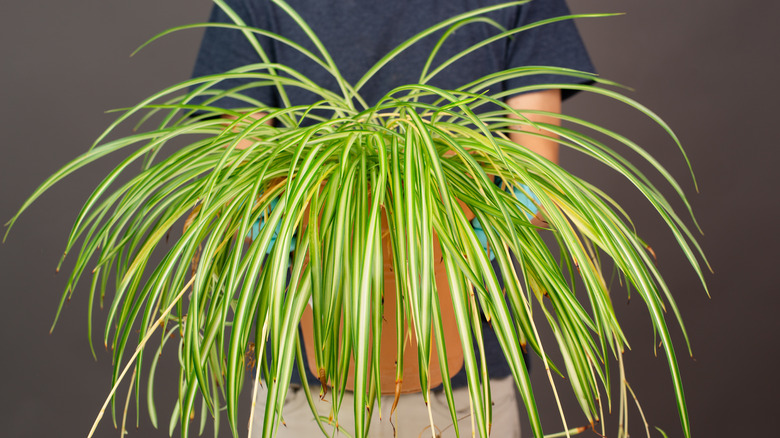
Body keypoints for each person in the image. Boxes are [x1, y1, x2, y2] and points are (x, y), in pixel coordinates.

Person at [191, 0, 595, 436]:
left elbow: (533, 171)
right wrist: (266, 217)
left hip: (467, 380)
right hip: (307, 388)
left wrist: (511, 211)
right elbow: (244, 169)